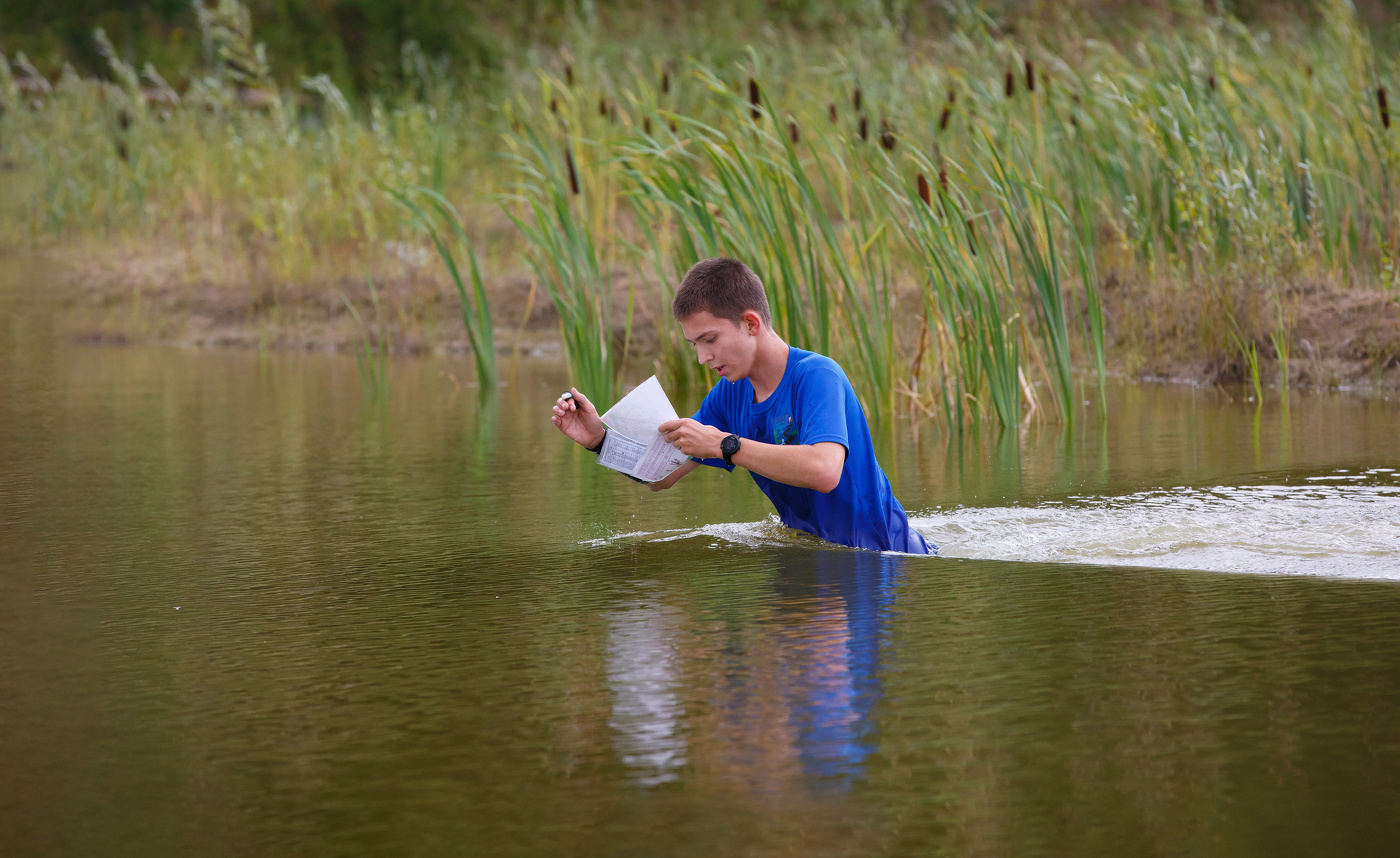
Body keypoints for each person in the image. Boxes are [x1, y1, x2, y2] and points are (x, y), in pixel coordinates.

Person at [551, 257, 933, 554]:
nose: (702, 358)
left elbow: (824, 470)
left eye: (710, 339)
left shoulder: (817, 375)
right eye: (694, 345)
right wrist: (600, 441)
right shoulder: (728, 394)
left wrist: (725, 445)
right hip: (813, 559)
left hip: (885, 560)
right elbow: (661, 476)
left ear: (751, 323)